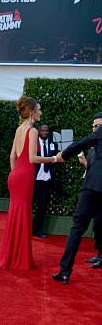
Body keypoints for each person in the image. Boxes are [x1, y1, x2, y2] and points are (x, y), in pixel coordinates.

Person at [0, 97, 60, 270]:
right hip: (24, 177)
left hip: (16, 175)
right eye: (39, 109)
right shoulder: (32, 131)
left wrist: (14, 173)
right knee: (23, 214)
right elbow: (32, 158)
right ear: (32, 111)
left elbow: (12, 156)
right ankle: (19, 259)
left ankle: (12, 256)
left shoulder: (19, 129)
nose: (41, 112)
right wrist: (54, 158)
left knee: (16, 213)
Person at [52, 113, 102, 283]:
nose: (96, 129)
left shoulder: (100, 134)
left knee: (77, 228)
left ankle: (65, 271)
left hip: (92, 188)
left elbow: (79, 144)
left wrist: (63, 156)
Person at [32, 123, 58, 238]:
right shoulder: (34, 143)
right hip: (35, 180)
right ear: (38, 131)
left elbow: (56, 158)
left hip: (47, 180)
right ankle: (25, 230)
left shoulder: (53, 144)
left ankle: (37, 230)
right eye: (43, 131)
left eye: (47, 131)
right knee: (29, 206)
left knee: (42, 208)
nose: (45, 133)